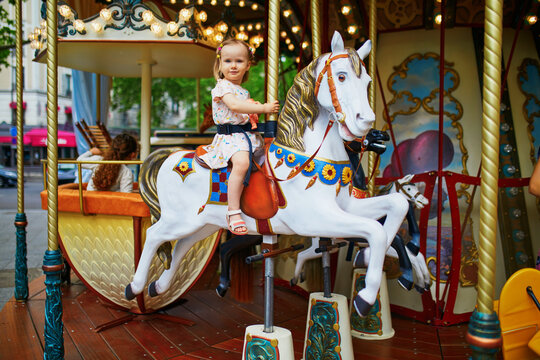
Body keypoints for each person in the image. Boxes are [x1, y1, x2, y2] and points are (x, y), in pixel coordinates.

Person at [200, 39, 280, 235]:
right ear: (219, 65)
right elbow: (235, 106)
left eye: (239, 61)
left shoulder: (242, 91)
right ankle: (233, 211)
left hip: (246, 137)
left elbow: (241, 110)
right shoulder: (222, 87)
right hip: (230, 139)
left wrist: (252, 114)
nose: (233, 65)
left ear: (247, 65)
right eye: (227, 61)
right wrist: (262, 108)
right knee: (242, 163)